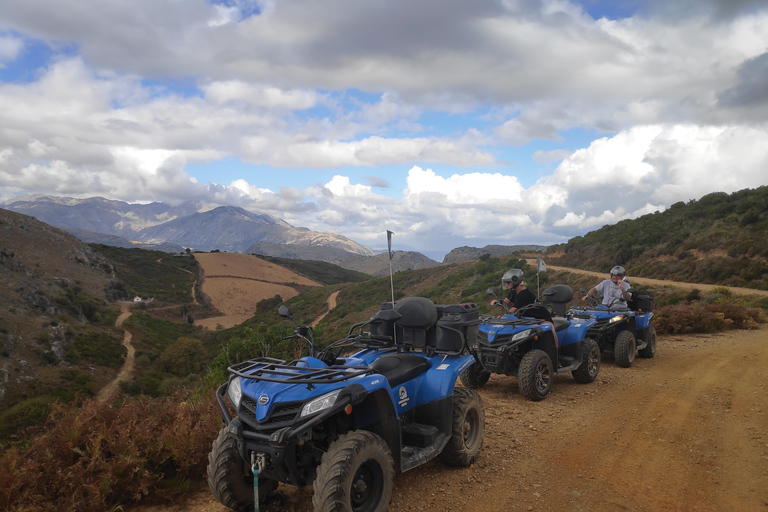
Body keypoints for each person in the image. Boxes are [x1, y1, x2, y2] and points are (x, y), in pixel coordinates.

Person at [490, 269, 558, 345]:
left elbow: (512, 310)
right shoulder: (513, 291)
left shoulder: (524, 294)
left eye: (508, 282)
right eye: (506, 282)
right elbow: (505, 302)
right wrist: (497, 302)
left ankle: (555, 351)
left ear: (515, 281)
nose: (507, 284)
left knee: (548, 330)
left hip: (540, 319)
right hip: (527, 319)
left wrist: (501, 317)